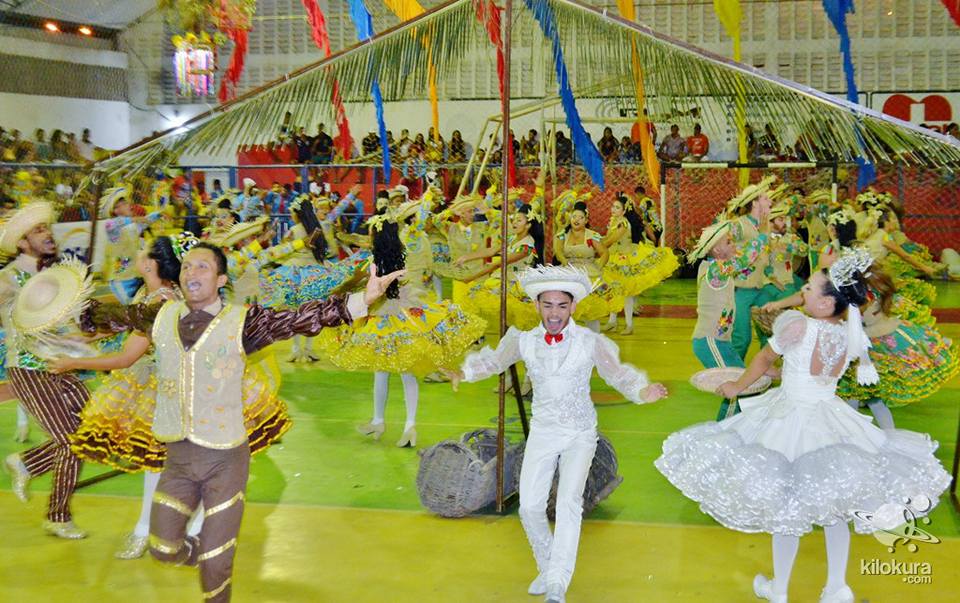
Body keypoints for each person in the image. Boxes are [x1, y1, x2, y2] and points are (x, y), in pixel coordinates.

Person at [80, 243, 404, 602]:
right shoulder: (161, 315)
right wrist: (67, 305)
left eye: (202, 267)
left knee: (216, 564)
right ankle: (202, 552)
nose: (191, 272)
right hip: (178, 460)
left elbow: (296, 319)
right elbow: (113, 317)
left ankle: (214, 562)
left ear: (221, 280)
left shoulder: (241, 322)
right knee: (163, 548)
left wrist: (362, 300)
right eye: (187, 266)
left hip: (224, 459)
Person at [656, 249, 950, 603]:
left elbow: (764, 358)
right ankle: (837, 587)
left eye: (809, 287)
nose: (803, 291)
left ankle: (779, 589)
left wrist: (736, 386)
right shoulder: (848, 332)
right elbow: (809, 371)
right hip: (831, 419)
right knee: (834, 509)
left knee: (787, 508)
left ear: (825, 303)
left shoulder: (797, 325)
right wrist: (781, 373)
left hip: (791, 419)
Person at [445, 265, 667, 603]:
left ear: (573, 306)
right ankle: (548, 566)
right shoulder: (524, 341)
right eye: (547, 305)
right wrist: (463, 372)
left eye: (562, 305)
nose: (554, 313)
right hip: (543, 432)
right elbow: (494, 362)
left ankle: (558, 583)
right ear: (536, 305)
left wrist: (641, 390)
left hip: (580, 433)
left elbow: (617, 374)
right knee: (529, 507)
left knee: (568, 503)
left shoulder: (590, 342)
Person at [0, 202, 92, 538]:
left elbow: (65, 325)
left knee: (90, 430)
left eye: (47, 228)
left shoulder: (53, 275)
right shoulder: (8, 279)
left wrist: (80, 336)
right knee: (70, 443)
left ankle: (27, 463)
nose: (48, 234)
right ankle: (57, 516)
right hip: (29, 369)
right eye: (38, 231)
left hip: (60, 366)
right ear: (23, 242)